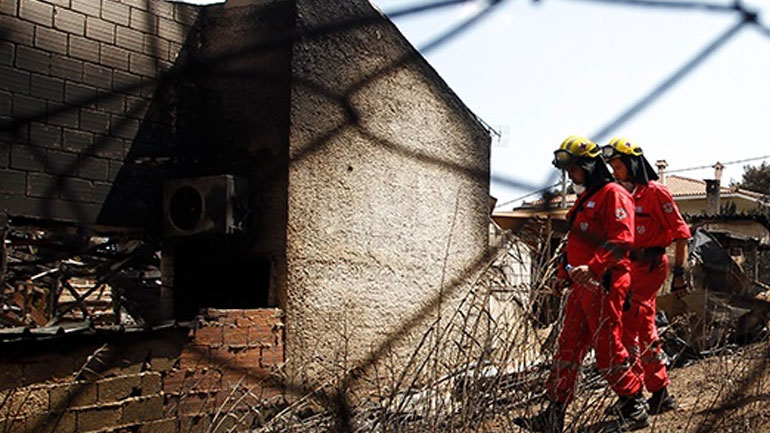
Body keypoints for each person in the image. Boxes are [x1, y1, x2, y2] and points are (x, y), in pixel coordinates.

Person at [514, 135, 649, 433]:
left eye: (574, 169)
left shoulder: (613, 195)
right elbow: (575, 247)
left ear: (589, 166)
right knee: (568, 347)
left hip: (605, 283)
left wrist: (595, 267)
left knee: (608, 349)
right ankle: (554, 414)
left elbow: (622, 239)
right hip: (582, 286)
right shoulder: (585, 200)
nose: (570, 175)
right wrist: (563, 276)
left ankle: (634, 404)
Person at [601, 137, 692, 415]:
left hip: (651, 265)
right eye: (612, 167)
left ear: (632, 163)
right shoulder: (618, 194)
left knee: (632, 324)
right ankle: (655, 392)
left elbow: (681, 234)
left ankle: (638, 395)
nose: (615, 172)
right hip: (626, 266)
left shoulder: (656, 193)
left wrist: (679, 274)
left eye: (619, 166)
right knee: (640, 327)